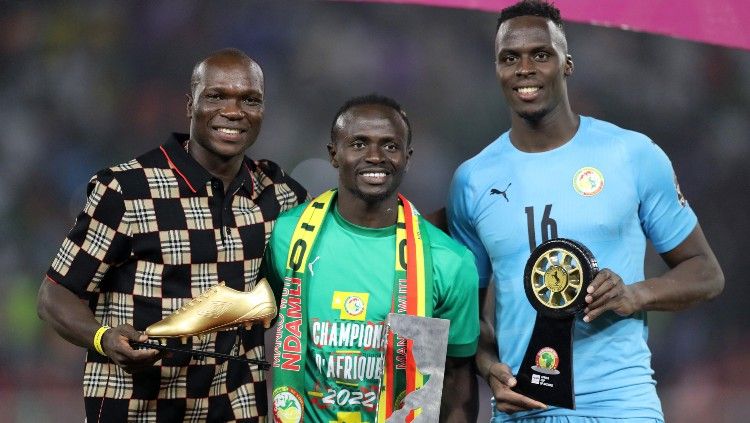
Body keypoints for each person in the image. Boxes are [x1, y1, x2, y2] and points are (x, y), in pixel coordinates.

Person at [447, 1, 725, 421]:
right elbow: (469, 316)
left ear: (567, 64)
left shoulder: (632, 154)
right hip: (526, 410)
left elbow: (705, 272)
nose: (525, 68)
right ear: (497, 69)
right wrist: (490, 370)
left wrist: (635, 294)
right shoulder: (471, 181)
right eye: (510, 58)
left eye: (541, 55)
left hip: (622, 405)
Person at [37, 48, 307, 422]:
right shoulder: (127, 190)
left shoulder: (282, 196)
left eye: (250, 100)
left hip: (239, 409)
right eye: (216, 96)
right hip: (137, 410)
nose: (233, 111)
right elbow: (55, 295)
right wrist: (104, 338)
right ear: (189, 105)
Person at [263, 94, 480, 422]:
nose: (375, 157)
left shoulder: (450, 262)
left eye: (390, 146)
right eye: (359, 144)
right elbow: (262, 319)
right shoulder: (286, 236)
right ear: (334, 154)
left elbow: (457, 385)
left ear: (407, 158)